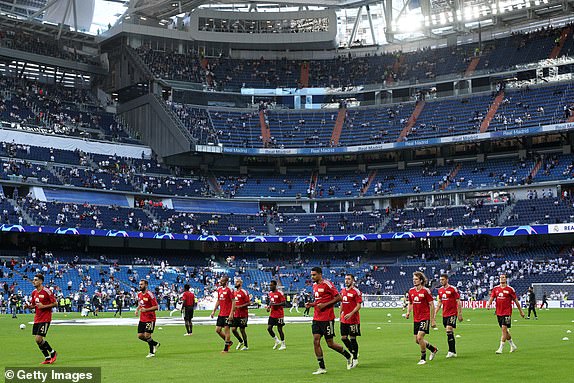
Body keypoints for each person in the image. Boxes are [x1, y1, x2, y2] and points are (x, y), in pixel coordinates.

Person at [305, 267, 353, 375]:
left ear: (320, 274)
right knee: (315, 340)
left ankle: (348, 355)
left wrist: (325, 305)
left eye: (314, 275)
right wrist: (311, 304)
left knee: (330, 344)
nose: (312, 277)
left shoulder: (327, 284)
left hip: (327, 318)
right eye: (311, 275)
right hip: (316, 318)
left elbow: (339, 297)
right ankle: (322, 367)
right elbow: (319, 302)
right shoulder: (314, 286)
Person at [486, 273, 525, 354]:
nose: (501, 279)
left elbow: (516, 301)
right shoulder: (496, 289)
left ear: (506, 279)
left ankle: (500, 348)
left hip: (507, 312)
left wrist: (521, 311)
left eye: (503, 277)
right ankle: (512, 345)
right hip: (498, 312)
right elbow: (492, 297)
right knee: (505, 331)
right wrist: (489, 304)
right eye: (500, 277)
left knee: (504, 329)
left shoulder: (510, 289)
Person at [24, 274, 58, 364]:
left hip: (45, 318)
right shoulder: (34, 292)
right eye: (33, 280)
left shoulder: (47, 291)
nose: (33, 281)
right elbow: (34, 305)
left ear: (41, 281)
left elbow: (55, 303)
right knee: (38, 340)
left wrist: (44, 306)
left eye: (35, 280)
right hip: (37, 318)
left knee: (38, 339)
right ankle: (47, 358)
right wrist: (28, 307)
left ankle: (53, 353)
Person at [406, 271, 438, 365]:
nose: (414, 281)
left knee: (420, 337)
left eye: (416, 279)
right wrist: (408, 312)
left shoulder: (425, 291)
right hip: (416, 318)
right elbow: (411, 303)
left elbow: (432, 305)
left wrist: (432, 319)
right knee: (417, 340)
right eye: (413, 279)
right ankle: (433, 349)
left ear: (421, 280)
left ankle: (423, 358)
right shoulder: (411, 291)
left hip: (425, 317)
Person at [434, 274, 463, 358]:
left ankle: (450, 351)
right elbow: (439, 303)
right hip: (445, 314)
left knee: (448, 329)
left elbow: (458, 301)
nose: (441, 281)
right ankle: (453, 351)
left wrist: (460, 314)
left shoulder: (453, 289)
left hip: (452, 313)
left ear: (447, 280)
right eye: (440, 280)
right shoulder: (440, 290)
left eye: (442, 279)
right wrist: (435, 314)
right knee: (449, 333)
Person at [340, 274, 362, 369]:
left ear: (353, 280)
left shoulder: (356, 291)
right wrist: (340, 312)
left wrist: (351, 313)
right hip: (344, 318)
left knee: (353, 338)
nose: (347, 281)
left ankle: (355, 358)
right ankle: (353, 351)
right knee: (343, 338)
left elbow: (359, 305)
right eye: (346, 279)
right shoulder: (343, 291)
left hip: (353, 319)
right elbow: (342, 302)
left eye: (349, 279)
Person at [135, 279, 160, 358]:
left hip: (150, 318)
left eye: (141, 284)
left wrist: (146, 310)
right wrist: (137, 309)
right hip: (142, 318)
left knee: (147, 335)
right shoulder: (139, 294)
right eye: (139, 284)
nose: (140, 286)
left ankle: (151, 352)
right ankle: (154, 343)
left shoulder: (150, 294)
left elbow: (156, 307)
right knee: (140, 336)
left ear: (146, 285)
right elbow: (141, 303)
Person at [210, 275, 233, 352]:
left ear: (226, 282)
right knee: (218, 330)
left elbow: (233, 301)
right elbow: (218, 300)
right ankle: (228, 342)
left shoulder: (229, 290)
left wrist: (231, 313)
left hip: (227, 313)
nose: (220, 282)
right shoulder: (219, 290)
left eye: (222, 281)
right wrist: (214, 311)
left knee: (227, 329)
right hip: (221, 313)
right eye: (220, 281)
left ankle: (226, 348)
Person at [230, 277, 251, 351]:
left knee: (242, 329)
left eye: (237, 282)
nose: (236, 283)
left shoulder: (244, 292)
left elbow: (248, 303)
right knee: (233, 329)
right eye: (235, 282)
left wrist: (239, 306)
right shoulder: (234, 292)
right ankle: (240, 341)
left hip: (243, 314)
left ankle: (246, 345)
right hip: (236, 314)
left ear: (241, 283)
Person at [267, 280, 286, 350]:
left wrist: (274, 305)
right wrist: (269, 307)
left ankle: (283, 344)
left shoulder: (280, 293)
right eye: (270, 285)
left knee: (279, 329)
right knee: (269, 328)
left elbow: (284, 303)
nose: (270, 286)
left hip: (279, 314)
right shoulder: (270, 293)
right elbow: (271, 301)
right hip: (272, 314)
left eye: (271, 285)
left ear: (275, 286)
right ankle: (277, 340)